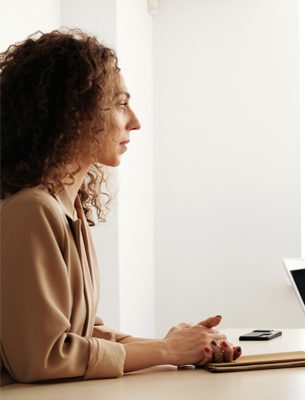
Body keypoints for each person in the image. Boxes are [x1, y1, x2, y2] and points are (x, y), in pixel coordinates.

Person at [0, 29, 240, 385]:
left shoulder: (67, 207)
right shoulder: (31, 211)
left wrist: (181, 344)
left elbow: (83, 334)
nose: (135, 121)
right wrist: (167, 351)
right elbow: (43, 357)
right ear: (73, 113)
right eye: (121, 103)